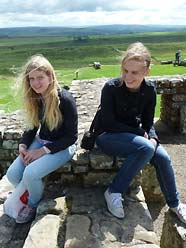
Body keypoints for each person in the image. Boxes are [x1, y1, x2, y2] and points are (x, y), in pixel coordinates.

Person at [96, 42, 186, 224]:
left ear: (147, 72)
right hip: (107, 136)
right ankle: (113, 191)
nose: (128, 77)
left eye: (134, 72)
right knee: (145, 148)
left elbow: (148, 122)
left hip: (135, 138)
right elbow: (108, 123)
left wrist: (153, 137)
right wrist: (139, 133)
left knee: (163, 157)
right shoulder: (111, 88)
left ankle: (175, 204)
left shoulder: (149, 90)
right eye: (125, 71)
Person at [5, 54, 78, 223]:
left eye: (40, 78)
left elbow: (71, 137)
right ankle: (25, 192)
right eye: (31, 79)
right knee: (13, 174)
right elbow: (32, 126)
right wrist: (23, 144)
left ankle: (32, 203)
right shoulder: (36, 97)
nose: (36, 83)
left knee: (30, 173)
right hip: (42, 141)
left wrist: (42, 151)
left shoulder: (65, 100)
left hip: (63, 147)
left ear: (50, 77)